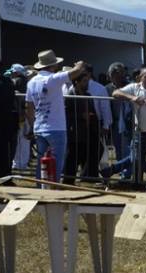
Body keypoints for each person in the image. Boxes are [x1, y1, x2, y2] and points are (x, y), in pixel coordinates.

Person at [25, 50, 86, 181]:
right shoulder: (53, 79)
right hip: (56, 128)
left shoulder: (31, 82)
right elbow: (77, 71)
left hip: (39, 127)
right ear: (53, 65)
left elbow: (29, 107)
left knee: (41, 164)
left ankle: (40, 189)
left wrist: (31, 125)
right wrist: (79, 64)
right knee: (56, 164)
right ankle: (52, 190)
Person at [61, 72, 102, 184]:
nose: (87, 83)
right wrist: (81, 116)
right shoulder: (70, 95)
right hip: (75, 132)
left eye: (87, 81)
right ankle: (68, 180)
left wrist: (95, 122)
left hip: (88, 131)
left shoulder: (88, 95)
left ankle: (88, 176)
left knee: (97, 149)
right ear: (76, 82)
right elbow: (66, 114)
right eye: (84, 81)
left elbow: (93, 111)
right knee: (73, 157)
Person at [106, 62, 134, 178]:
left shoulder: (130, 86)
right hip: (115, 122)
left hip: (128, 123)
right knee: (118, 149)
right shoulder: (107, 89)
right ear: (111, 75)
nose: (121, 76)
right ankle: (123, 173)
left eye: (122, 73)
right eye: (117, 74)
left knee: (128, 149)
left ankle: (127, 174)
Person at [9, 64, 33, 171]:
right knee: (24, 140)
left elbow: (19, 100)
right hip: (26, 113)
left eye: (12, 72)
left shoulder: (16, 82)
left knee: (20, 140)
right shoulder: (27, 82)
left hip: (20, 114)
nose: (11, 74)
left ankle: (18, 163)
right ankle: (22, 163)